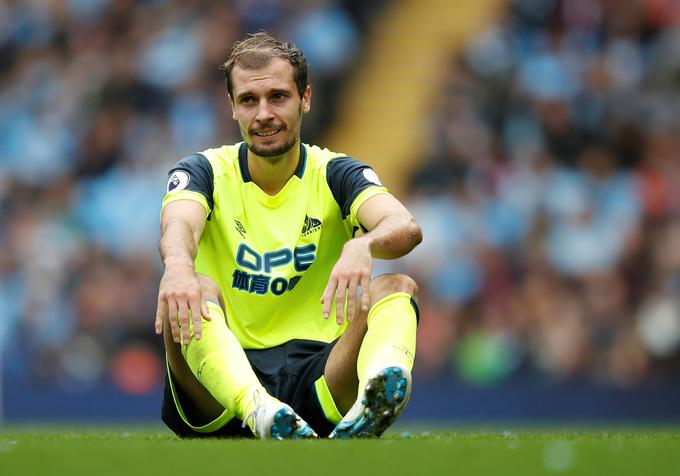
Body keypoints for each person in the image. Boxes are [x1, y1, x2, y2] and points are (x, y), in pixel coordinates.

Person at [154, 31, 423, 439]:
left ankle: (377, 396)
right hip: (224, 388)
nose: (263, 113)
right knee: (193, 286)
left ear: (306, 98)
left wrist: (362, 243)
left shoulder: (336, 173)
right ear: (232, 107)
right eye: (249, 100)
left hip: (323, 378)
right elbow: (179, 226)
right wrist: (176, 268)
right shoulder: (204, 171)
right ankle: (259, 409)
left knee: (396, 286)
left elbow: (404, 227)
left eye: (278, 97)